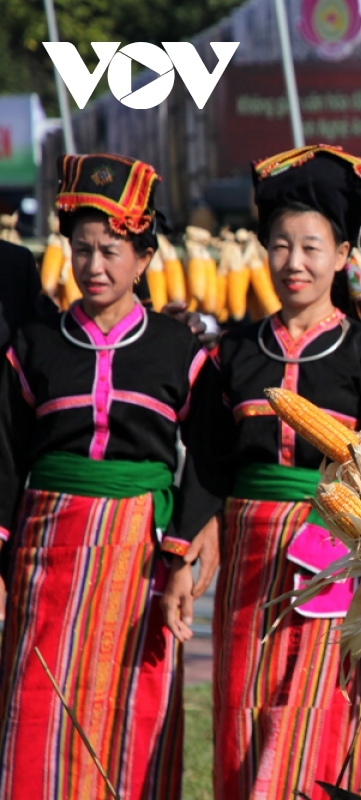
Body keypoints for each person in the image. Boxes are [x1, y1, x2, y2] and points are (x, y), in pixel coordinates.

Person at [181, 144, 361, 799]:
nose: (295, 263)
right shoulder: (233, 354)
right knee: (243, 710)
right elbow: (208, 458)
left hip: (336, 549)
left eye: (312, 247)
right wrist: (194, 539)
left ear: (343, 256)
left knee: (319, 713)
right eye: (281, 246)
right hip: (250, 554)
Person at [0, 153, 217, 800]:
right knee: (37, 703)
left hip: (137, 560)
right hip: (47, 554)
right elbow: (6, 457)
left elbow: (206, 453)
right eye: (83, 249)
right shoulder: (35, 347)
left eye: (113, 251)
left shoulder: (177, 351)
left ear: (145, 258)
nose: (95, 266)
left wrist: (180, 552)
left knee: (132, 708)